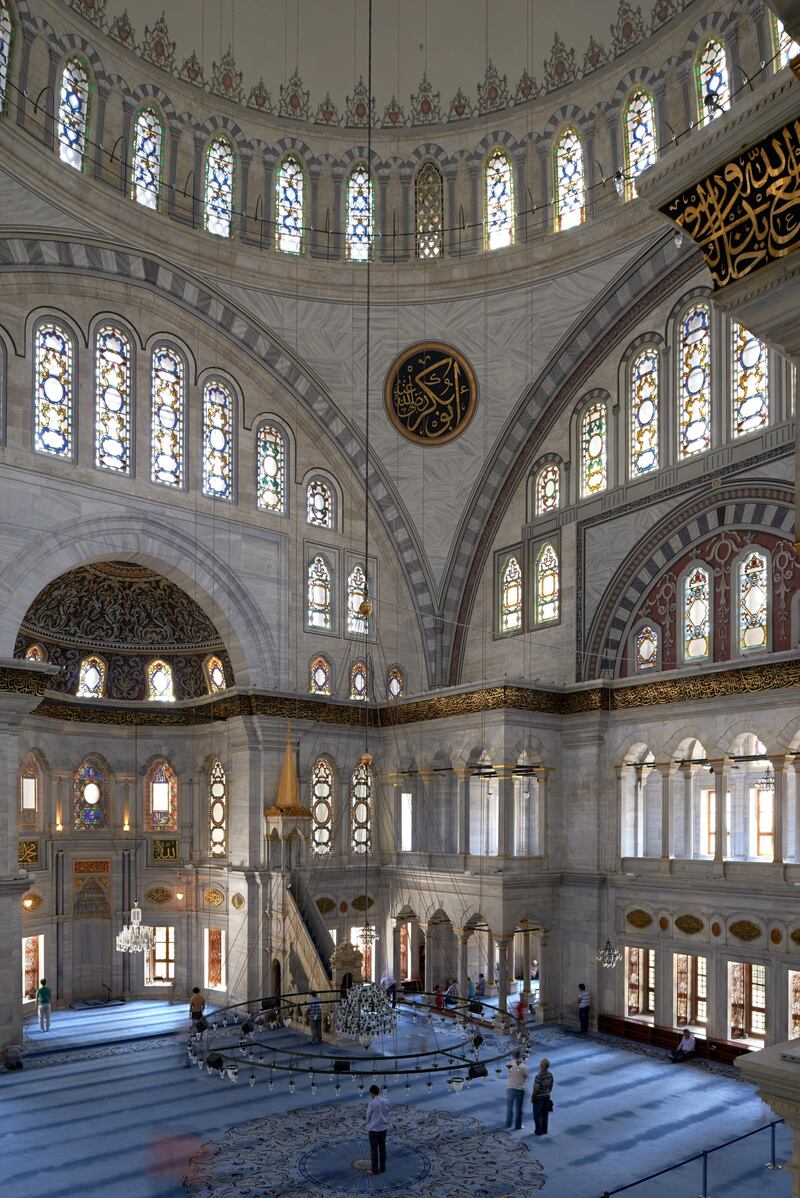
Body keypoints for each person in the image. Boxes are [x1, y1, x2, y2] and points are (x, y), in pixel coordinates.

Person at [366, 1083, 389, 1176]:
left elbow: (368, 1117)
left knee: (374, 1150)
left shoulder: (372, 1103)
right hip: (384, 1129)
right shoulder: (386, 1101)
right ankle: (383, 1168)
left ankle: (374, 1170)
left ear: (371, 1093)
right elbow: (387, 1112)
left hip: (374, 1130)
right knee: (382, 1148)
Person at [505, 1053, 529, 1130]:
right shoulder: (523, 1066)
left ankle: (508, 1124)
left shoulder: (509, 1063)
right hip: (519, 1089)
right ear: (520, 1056)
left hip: (509, 1088)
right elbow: (526, 1076)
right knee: (518, 1109)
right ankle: (518, 1126)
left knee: (509, 1108)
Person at [531, 1058, 554, 1136]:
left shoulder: (539, 1076)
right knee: (545, 1114)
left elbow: (536, 1087)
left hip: (539, 1098)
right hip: (546, 1096)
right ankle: (544, 1130)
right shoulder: (550, 1074)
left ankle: (538, 1131)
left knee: (537, 1115)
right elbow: (551, 1085)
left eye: (541, 1063)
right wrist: (547, 1092)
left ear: (542, 1066)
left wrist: (533, 1096)